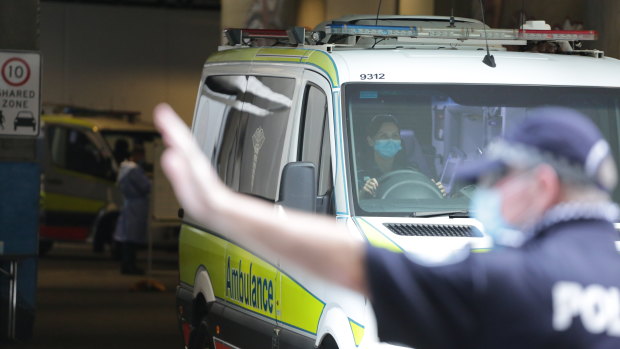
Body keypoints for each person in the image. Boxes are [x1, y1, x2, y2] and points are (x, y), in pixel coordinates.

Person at [154, 103, 620, 348]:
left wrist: (220, 207)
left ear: (542, 184)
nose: (488, 197)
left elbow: (359, 264)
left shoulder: (515, 280)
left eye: (497, 180)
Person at [359, 114, 442, 198]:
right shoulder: (358, 175)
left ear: (400, 142)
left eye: (395, 136)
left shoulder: (412, 173)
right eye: (383, 136)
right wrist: (363, 193)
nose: (390, 140)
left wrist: (436, 190)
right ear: (370, 141)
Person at [113, 145, 151, 275]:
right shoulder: (134, 170)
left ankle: (126, 265)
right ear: (138, 155)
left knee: (127, 237)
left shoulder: (124, 168)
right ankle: (130, 266)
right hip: (136, 206)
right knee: (132, 239)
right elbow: (146, 186)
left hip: (129, 204)